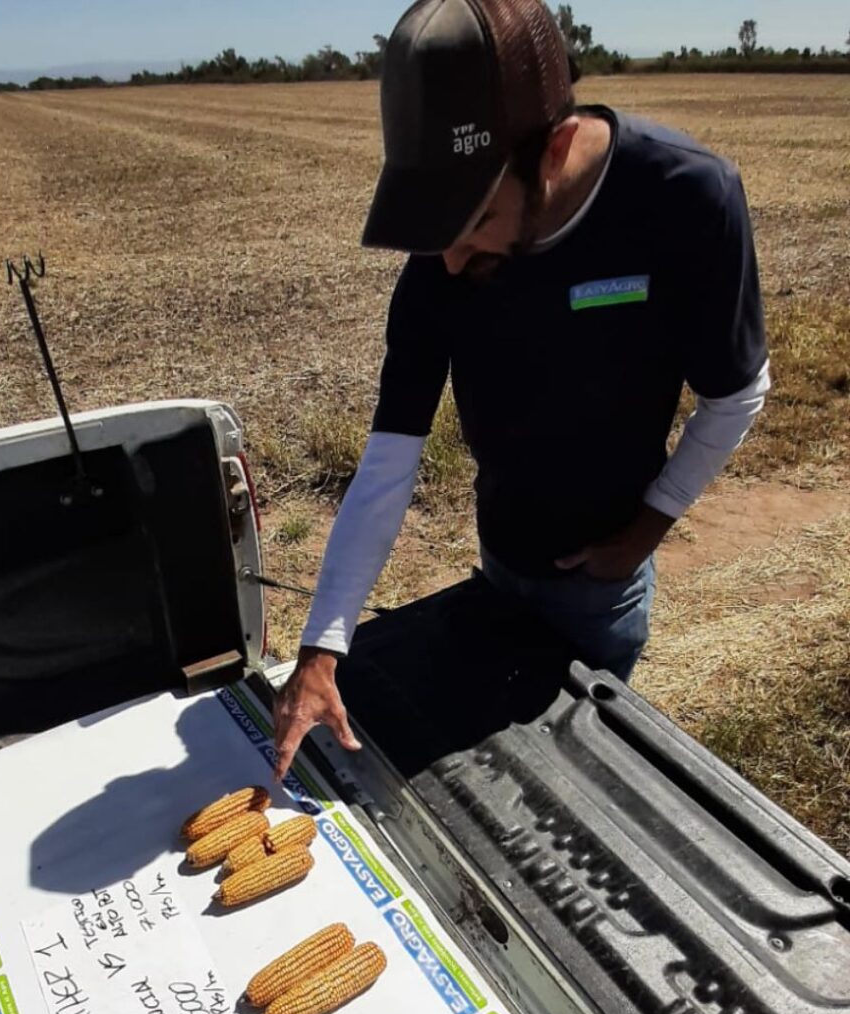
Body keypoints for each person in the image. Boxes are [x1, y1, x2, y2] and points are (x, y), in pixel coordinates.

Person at [272, 0, 770, 780]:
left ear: (555, 150)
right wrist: (321, 645)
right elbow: (391, 453)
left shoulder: (684, 198)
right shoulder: (446, 249)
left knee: (575, 776)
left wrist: (645, 530)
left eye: (476, 219)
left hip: (601, 586)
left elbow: (736, 395)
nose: (448, 258)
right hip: (499, 560)